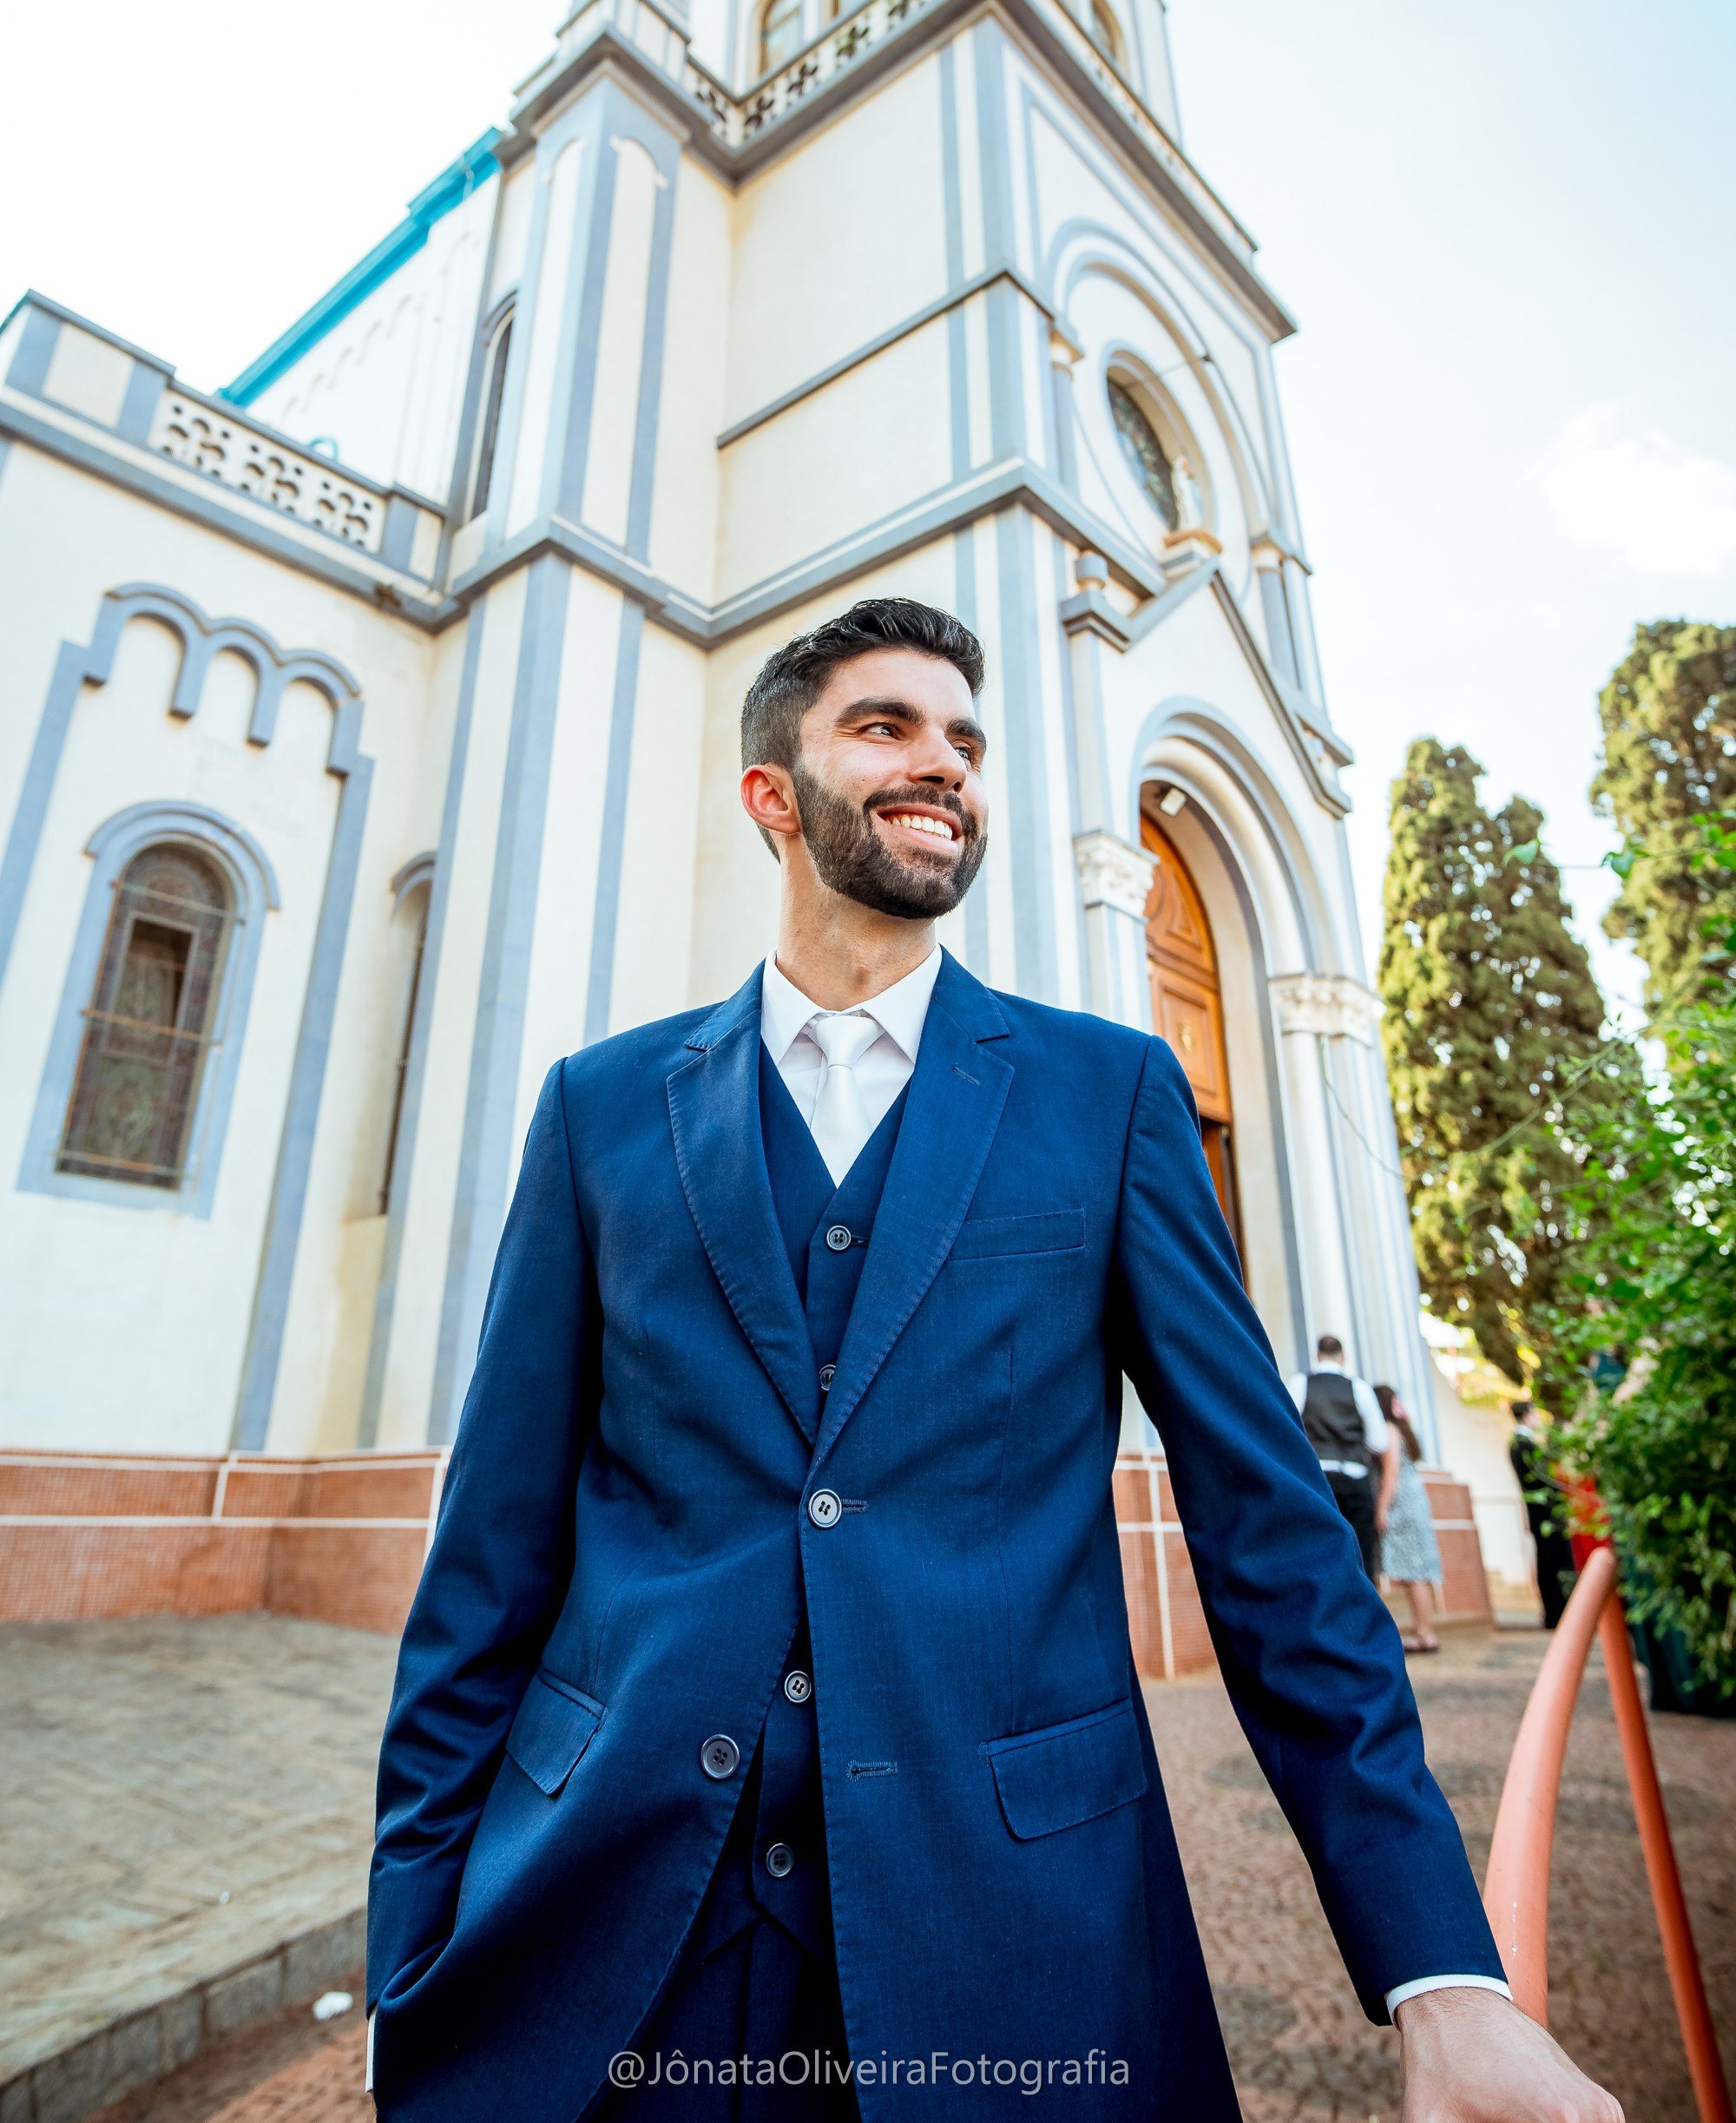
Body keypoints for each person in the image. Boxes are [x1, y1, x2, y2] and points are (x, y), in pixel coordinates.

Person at [367, 597, 1621, 2122]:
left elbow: (1277, 1542)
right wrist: (405, 1959)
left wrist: (1442, 1972)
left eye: (964, 739)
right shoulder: (601, 1110)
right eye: (885, 726)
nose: (943, 763)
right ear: (774, 793)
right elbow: (486, 1566)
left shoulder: (1110, 1096)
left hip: (1013, 1933)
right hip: (617, 1916)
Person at [1286, 1333, 1396, 1584]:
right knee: (1360, 1553)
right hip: (1355, 1477)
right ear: (1343, 1357)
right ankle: (1365, 1617)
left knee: (1320, 1549)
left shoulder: (1301, 1383)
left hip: (1318, 1478)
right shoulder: (1359, 1388)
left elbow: (1288, 1428)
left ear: (1317, 1356)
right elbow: (1379, 1442)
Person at [1374, 1385, 1443, 1653]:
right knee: (1417, 1571)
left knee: (1413, 1572)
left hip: (1402, 1502)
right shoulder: (1405, 1428)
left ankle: (1424, 1631)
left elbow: (1391, 1473)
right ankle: (1424, 1630)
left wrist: (1381, 1507)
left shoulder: (1389, 1431)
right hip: (1416, 1499)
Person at [1510, 1399, 1578, 1631]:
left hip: (1540, 1512)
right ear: (1527, 1416)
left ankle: (1556, 1613)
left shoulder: (1521, 1443)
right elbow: (1541, 1479)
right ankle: (1558, 1613)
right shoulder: (1523, 1444)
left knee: (1548, 1563)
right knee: (1555, 1562)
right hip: (1544, 1513)